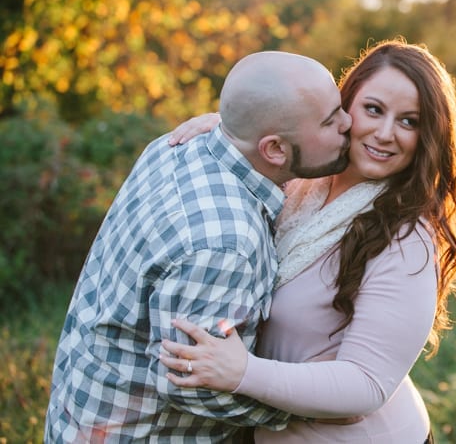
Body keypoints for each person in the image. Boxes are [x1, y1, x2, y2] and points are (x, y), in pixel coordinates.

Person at [159, 38, 456, 443]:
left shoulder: (406, 238)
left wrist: (243, 373)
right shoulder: (307, 177)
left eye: (409, 121)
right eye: (374, 109)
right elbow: (268, 142)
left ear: (428, 135)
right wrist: (232, 130)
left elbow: (365, 383)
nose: (384, 134)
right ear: (344, 106)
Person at [44, 51, 353, 442]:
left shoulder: (175, 146)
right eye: (330, 120)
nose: (349, 122)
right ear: (273, 150)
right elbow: (191, 383)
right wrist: (304, 409)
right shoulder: (224, 244)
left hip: (79, 412)